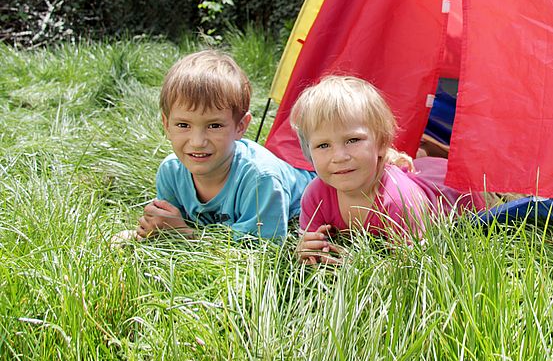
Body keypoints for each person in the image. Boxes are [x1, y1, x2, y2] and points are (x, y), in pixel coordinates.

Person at [117, 49, 314, 243]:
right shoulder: (171, 172)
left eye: (214, 126)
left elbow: (260, 250)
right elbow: (168, 227)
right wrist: (150, 231)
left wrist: (184, 234)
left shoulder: (260, 179)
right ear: (166, 125)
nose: (197, 142)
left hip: (326, 192)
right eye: (183, 125)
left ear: (240, 127)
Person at [291, 75, 485, 264]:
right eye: (323, 145)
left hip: (458, 189)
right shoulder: (316, 196)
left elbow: (415, 264)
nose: (340, 156)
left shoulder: (398, 200)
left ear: (382, 143)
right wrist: (308, 248)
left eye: (353, 140)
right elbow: (308, 243)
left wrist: (357, 265)